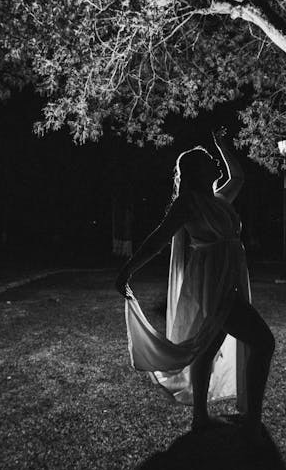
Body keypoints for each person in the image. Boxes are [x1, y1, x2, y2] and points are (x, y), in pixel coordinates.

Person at [115, 129, 275, 441]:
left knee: (208, 347)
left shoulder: (216, 199)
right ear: (196, 171)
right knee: (263, 342)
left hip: (228, 279)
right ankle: (252, 420)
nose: (215, 161)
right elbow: (157, 240)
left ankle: (201, 418)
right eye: (209, 159)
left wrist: (223, 146)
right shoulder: (188, 203)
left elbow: (238, 177)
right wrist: (127, 271)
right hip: (213, 284)